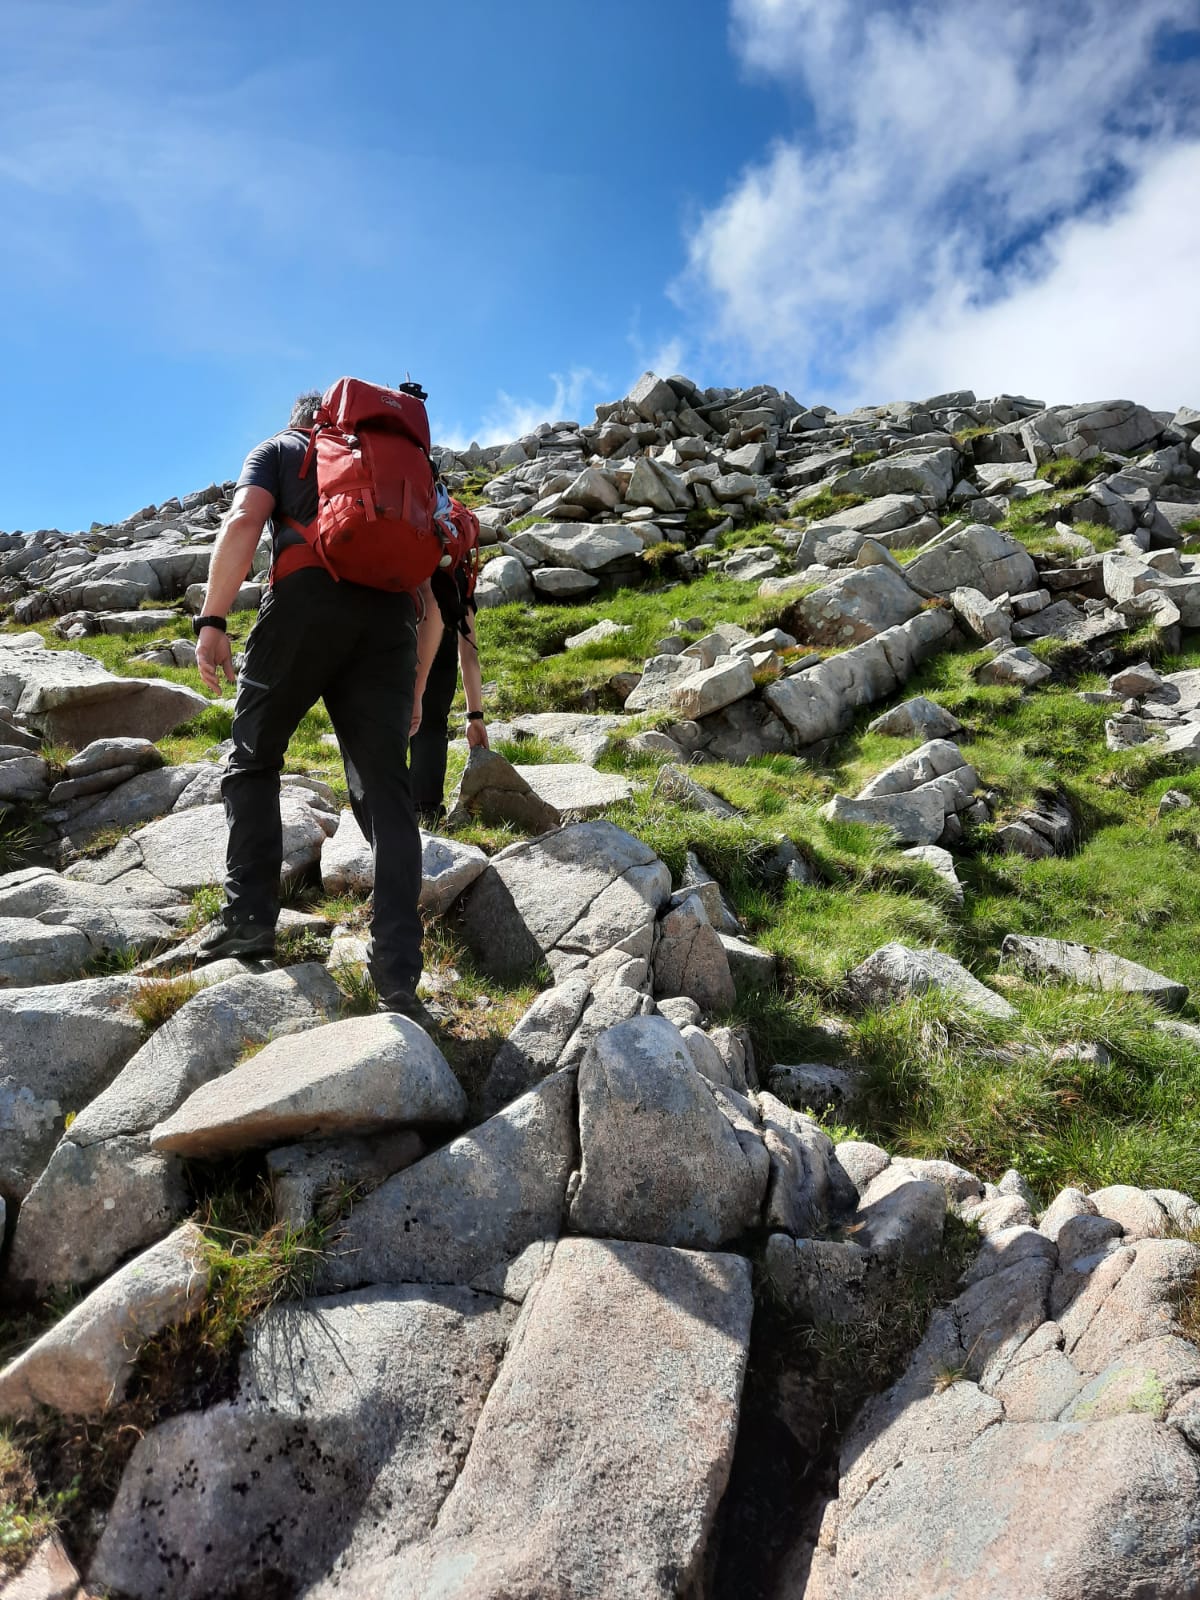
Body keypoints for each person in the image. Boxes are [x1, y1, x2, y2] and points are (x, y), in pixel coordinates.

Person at [194, 388, 442, 1024]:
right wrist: (414, 688)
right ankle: (397, 978)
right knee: (389, 799)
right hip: (389, 623)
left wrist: (214, 617)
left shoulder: (282, 449)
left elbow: (245, 521)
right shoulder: (391, 473)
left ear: (301, 420)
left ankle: (248, 920)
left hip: (305, 603)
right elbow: (427, 594)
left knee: (254, 759)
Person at [409, 486, 488, 825]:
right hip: (440, 647)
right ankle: (425, 812)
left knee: (389, 720)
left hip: (397, 633)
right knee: (430, 723)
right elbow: (468, 654)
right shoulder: (458, 574)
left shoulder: (404, 548)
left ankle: (383, 810)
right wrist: (475, 716)